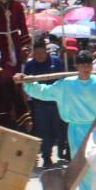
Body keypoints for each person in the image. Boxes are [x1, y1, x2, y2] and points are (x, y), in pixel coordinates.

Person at [18, 51, 96, 190]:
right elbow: (45, 91)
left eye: (88, 64)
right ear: (76, 66)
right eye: (82, 64)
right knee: (80, 167)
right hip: (76, 130)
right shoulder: (66, 84)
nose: (86, 67)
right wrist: (27, 82)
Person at [23, 40, 64, 168]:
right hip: (39, 104)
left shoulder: (56, 62)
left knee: (58, 130)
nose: (40, 56)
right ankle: (46, 157)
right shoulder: (30, 65)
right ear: (33, 53)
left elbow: (63, 80)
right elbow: (26, 85)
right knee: (44, 131)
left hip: (56, 102)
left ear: (46, 51)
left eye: (42, 53)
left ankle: (63, 151)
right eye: (37, 53)